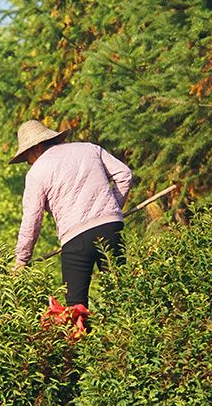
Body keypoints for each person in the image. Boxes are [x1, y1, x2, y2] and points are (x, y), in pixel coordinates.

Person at [11, 119, 132, 308]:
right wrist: (111, 208)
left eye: (27, 156)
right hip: (110, 228)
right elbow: (124, 174)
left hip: (76, 240)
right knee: (121, 291)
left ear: (36, 147)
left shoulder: (36, 173)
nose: (27, 162)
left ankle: (84, 337)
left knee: (76, 308)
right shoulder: (89, 149)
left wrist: (21, 259)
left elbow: (31, 220)